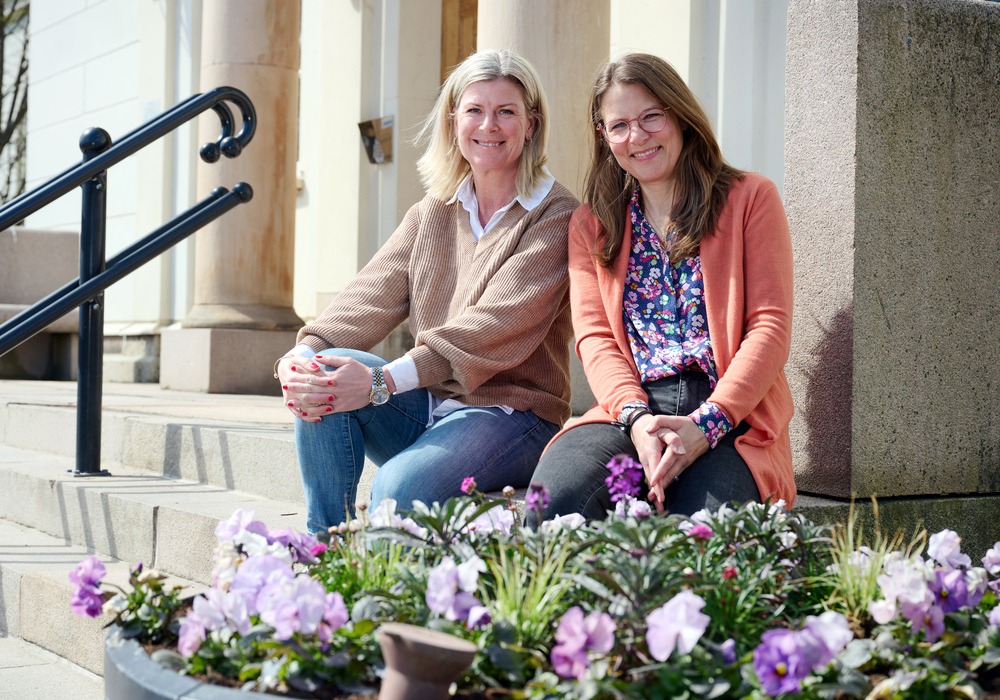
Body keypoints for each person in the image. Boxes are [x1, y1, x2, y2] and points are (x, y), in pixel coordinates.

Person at [274, 49, 578, 535]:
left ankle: (380, 588)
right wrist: (302, 354)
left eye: (506, 112)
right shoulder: (434, 210)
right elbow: (369, 295)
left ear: (531, 124)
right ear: (453, 120)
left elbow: (492, 329)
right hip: (433, 406)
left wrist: (379, 383)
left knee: (397, 489)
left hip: (514, 415)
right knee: (323, 374)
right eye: (475, 110)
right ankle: (322, 554)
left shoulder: (556, 215)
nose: (489, 125)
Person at [528, 52, 795, 523]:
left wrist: (707, 424)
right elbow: (596, 339)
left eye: (652, 116)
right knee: (553, 506)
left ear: (681, 117)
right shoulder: (592, 226)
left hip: (731, 413)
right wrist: (637, 420)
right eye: (620, 125)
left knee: (704, 538)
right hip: (631, 409)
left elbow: (769, 328)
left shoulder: (750, 198)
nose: (638, 137)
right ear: (604, 136)